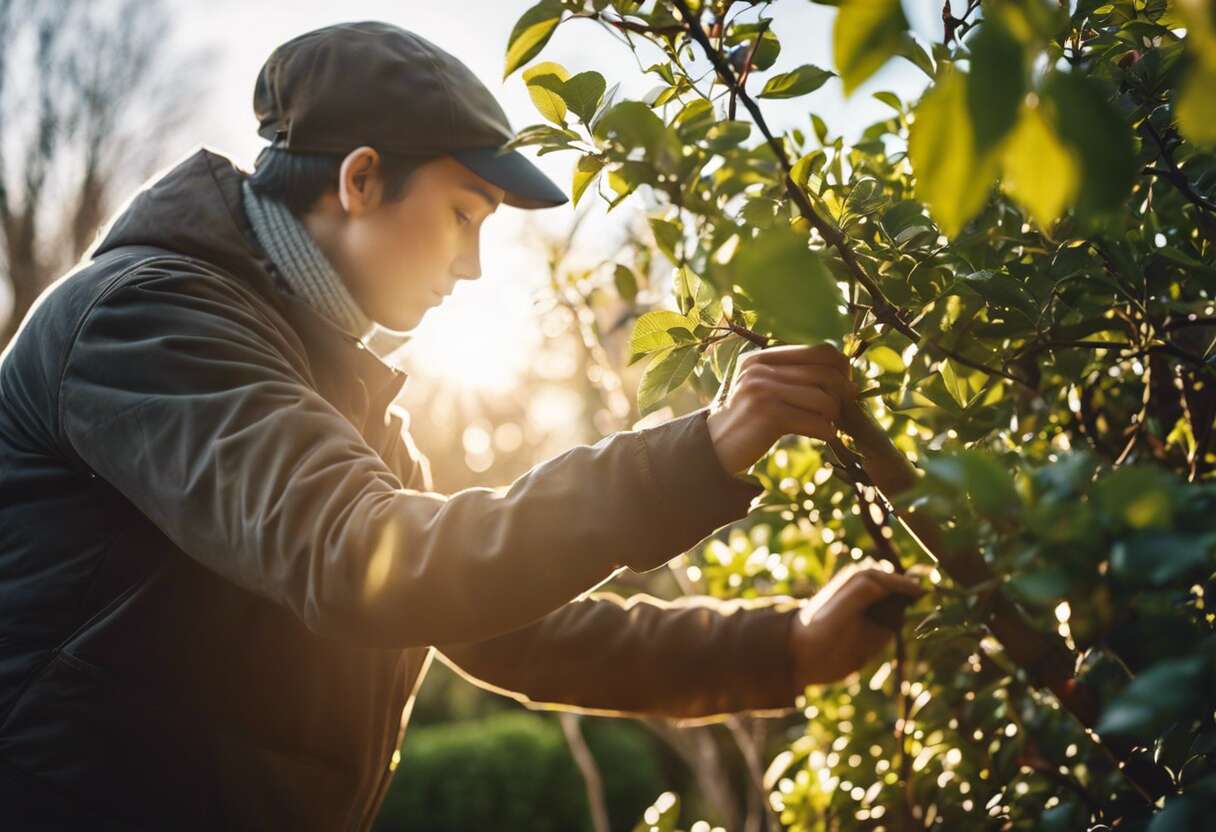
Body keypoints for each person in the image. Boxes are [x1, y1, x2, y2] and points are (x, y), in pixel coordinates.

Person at [0, 20, 924, 831]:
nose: (476, 266)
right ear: (361, 181)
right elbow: (364, 561)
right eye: (462, 215)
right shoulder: (146, 324)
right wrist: (703, 450)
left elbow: (514, 632)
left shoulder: (334, 395)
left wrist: (785, 647)